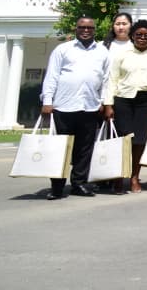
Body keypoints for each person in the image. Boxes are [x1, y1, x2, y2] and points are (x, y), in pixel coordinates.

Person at [40, 16, 109, 199]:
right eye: (82, 27)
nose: (86, 30)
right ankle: (57, 186)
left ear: (95, 30)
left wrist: (102, 101)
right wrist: (47, 101)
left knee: (84, 149)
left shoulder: (102, 52)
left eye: (90, 28)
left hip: (90, 107)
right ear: (76, 29)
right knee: (61, 148)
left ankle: (79, 184)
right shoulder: (62, 49)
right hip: (64, 106)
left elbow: (105, 79)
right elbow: (52, 76)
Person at [102, 19, 147, 193]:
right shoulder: (122, 54)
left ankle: (134, 177)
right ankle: (118, 176)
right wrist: (108, 105)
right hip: (123, 100)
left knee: (139, 141)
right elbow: (112, 80)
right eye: (139, 34)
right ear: (132, 36)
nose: (142, 38)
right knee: (124, 140)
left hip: (145, 101)